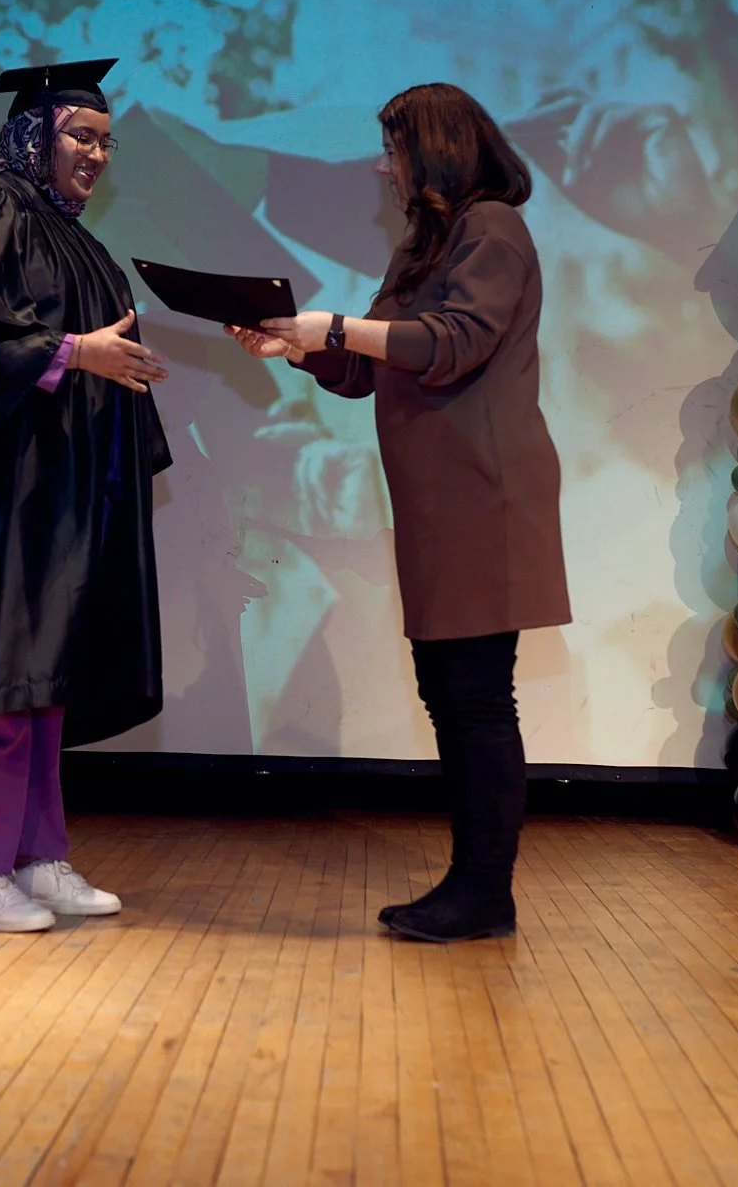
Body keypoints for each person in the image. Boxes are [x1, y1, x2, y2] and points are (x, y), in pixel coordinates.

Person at [228, 82, 571, 942]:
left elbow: (452, 342)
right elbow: (367, 366)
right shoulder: (429, 241)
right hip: (436, 500)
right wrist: (297, 347)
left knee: (478, 696)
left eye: (393, 148)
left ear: (437, 149)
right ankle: (472, 884)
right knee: (448, 689)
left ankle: (485, 892)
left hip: (482, 493)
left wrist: (337, 327)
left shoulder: (494, 229)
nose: (382, 166)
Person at [0, 58, 173, 933]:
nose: (95, 155)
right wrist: (73, 354)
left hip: (57, 494)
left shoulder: (78, 241)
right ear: (31, 135)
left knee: (44, 677)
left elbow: (101, 348)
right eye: (78, 136)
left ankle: (35, 855)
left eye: (104, 141)